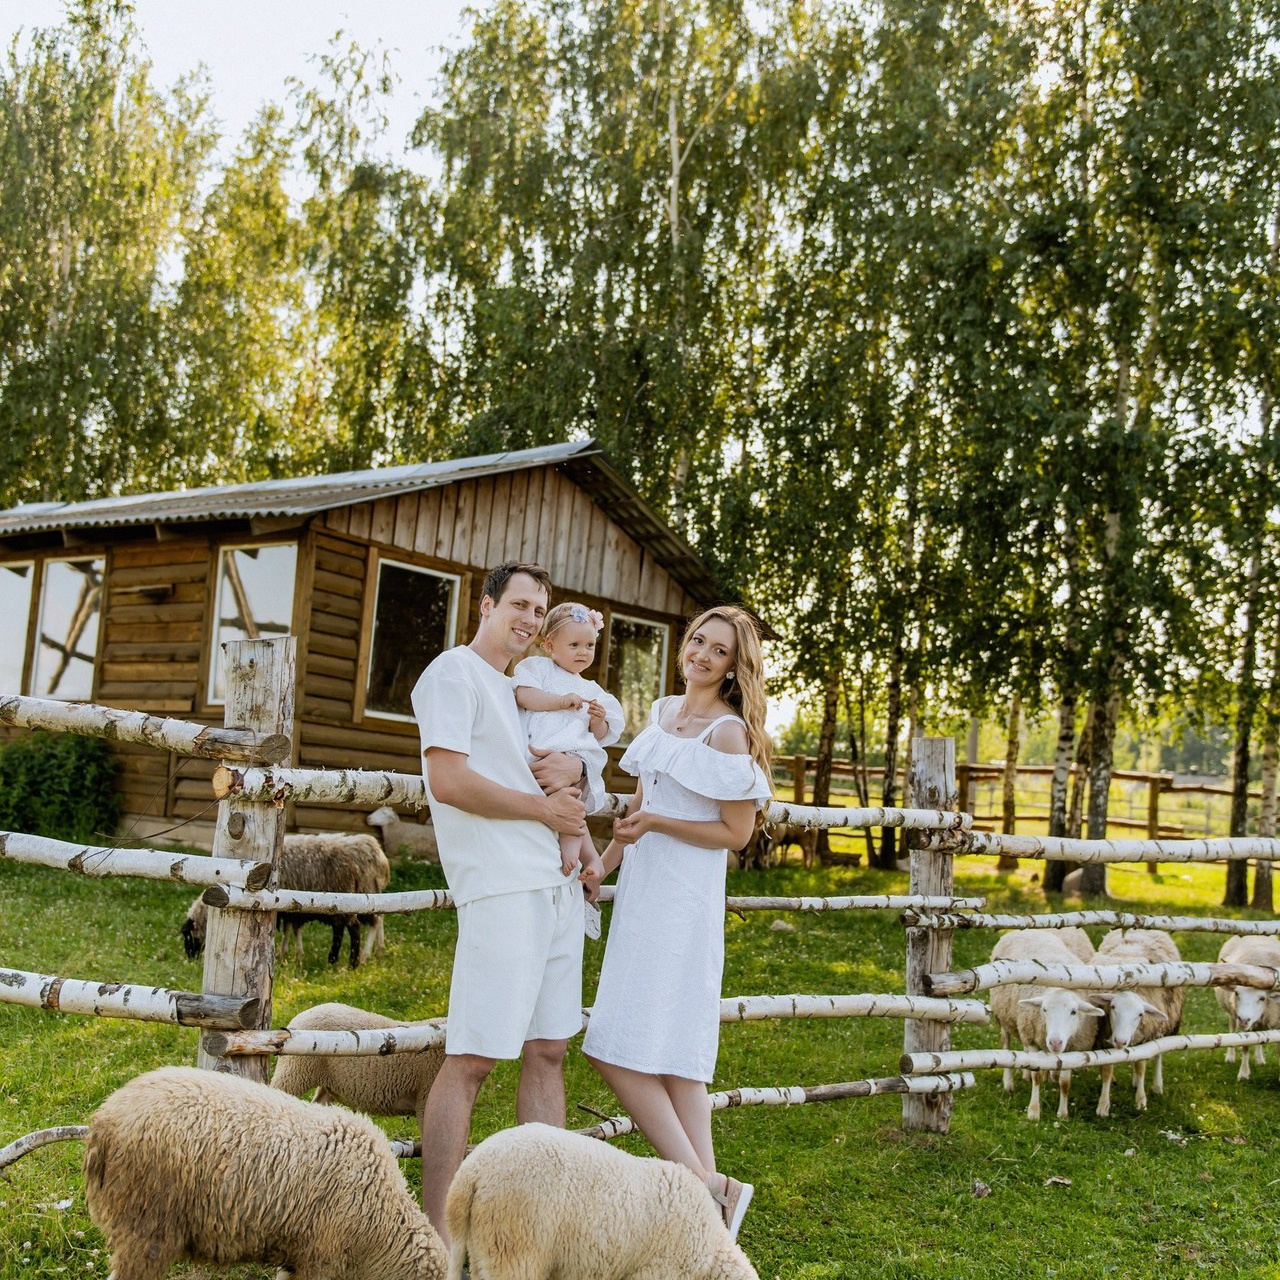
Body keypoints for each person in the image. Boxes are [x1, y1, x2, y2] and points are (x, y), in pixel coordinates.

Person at [410, 561, 591, 1245]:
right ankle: (434, 1236)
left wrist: (575, 826)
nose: (527, 618)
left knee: (547, 1051)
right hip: (502, 886)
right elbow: (449, 780)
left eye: (538, 611)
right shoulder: (453, 674)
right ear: (485, 605)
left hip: (555, 885)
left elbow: (558, 768)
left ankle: (538, 1224)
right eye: (517, 603)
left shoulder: (519, 690)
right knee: (474, 1058)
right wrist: (547, 813)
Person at [581, 604, 772, 1241]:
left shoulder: (725, 733)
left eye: (718, 650)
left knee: (612, 1046)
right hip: (642, 892)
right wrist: (605, 864)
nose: (701, 654)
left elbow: (736, 832)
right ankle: (713, 1226)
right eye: (697, 641)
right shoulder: (664, 713)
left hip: (683, 903)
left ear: (732, 667)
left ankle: (702, 1189)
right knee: (678, 1063)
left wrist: (659, 823)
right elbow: (639, 806)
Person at [512, 601, 624, 885]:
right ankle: (590, 859)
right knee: (570, 808)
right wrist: (560, 701)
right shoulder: (538, 669)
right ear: (550, 644)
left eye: (589, 646)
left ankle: (572, 857)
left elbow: (600, 735)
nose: (583, 652)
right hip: (543, 753)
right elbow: (524, 696)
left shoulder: (592, 690)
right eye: (574, 645)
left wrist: (597, 720)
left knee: (571, 806)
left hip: (574, 756)